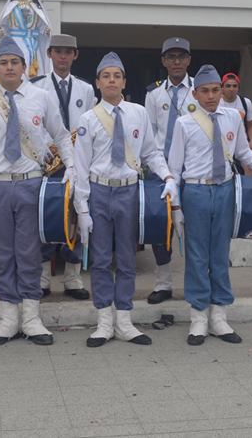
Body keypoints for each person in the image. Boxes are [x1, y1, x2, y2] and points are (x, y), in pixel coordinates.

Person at [0, 36, 73, 347]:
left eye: (15, 62)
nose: (9, 67)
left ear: (25, 67)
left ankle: (31, 317)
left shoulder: (40, 97)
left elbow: (62, 136)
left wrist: (74, 172)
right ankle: (7, 318)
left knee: (29, 252)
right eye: (3, 62)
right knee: (1, 254)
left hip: (30, 183)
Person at [169, 65, 252, 346]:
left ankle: (219, 316)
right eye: (204, 91)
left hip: (225, 189)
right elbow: (175, 167)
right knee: (196, 255)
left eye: (215, 90)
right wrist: (177, 207)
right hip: (195, 189)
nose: (210, 96)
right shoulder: (185, 122)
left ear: (222, 91)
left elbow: (243, 151)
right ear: (194, 93)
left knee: (220, 253)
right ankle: (198, 317)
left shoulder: (232, 117)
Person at [74, 52, 177, 347]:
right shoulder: (88, 119)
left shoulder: (138, 113)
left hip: (130, 190)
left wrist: (168, 177)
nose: (111, 80)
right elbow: (80, 166)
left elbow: (151, 153)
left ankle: (125, 320)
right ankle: (104, 321)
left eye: (116, 76)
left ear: (124, 81)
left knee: (128, 259)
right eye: (105, 76)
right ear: (97, 83)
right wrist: (82, 208)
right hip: (99, 191)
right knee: (102, 258)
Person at [30, 34, 95, 301]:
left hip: (76, 161)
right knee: (46, 216)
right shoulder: (36, 87)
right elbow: (33, 125)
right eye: (58, 52)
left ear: (75, 55)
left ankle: (72, 276)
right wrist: (49, 148)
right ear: (49, 54)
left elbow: (89, 126)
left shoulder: (86, 88)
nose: (63, 57)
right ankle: (43, 276)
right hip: (46, 161)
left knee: (76, 216)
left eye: (68, 52)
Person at [143, 37, 194, 304]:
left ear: (188, 60)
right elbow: (149, 135)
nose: (176, 62)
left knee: (194, 228)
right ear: (163, 61)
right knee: (160, 228)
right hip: (161, 171)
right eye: (171, 57)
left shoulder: (200, 89)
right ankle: (163, 283)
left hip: (191, 170)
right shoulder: (154, 93)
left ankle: (195, 283)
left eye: (181, 57)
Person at [0, 0, 51, 80]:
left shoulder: (35, 7)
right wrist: (2, 31)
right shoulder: (12, 6)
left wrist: (45, 30)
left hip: (33, 42)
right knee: (18, 59)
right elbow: (4, 23)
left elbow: (41, 24)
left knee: (35, 63)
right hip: (16, 41)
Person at [219, 72, 252, 152]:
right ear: (222, 88)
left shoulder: (246, 103)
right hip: (223, 145)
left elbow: (251, 125)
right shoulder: (216, 104)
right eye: (228, 86)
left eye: (234, 86)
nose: (231, 89)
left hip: (241, 144)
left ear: (238, 88)